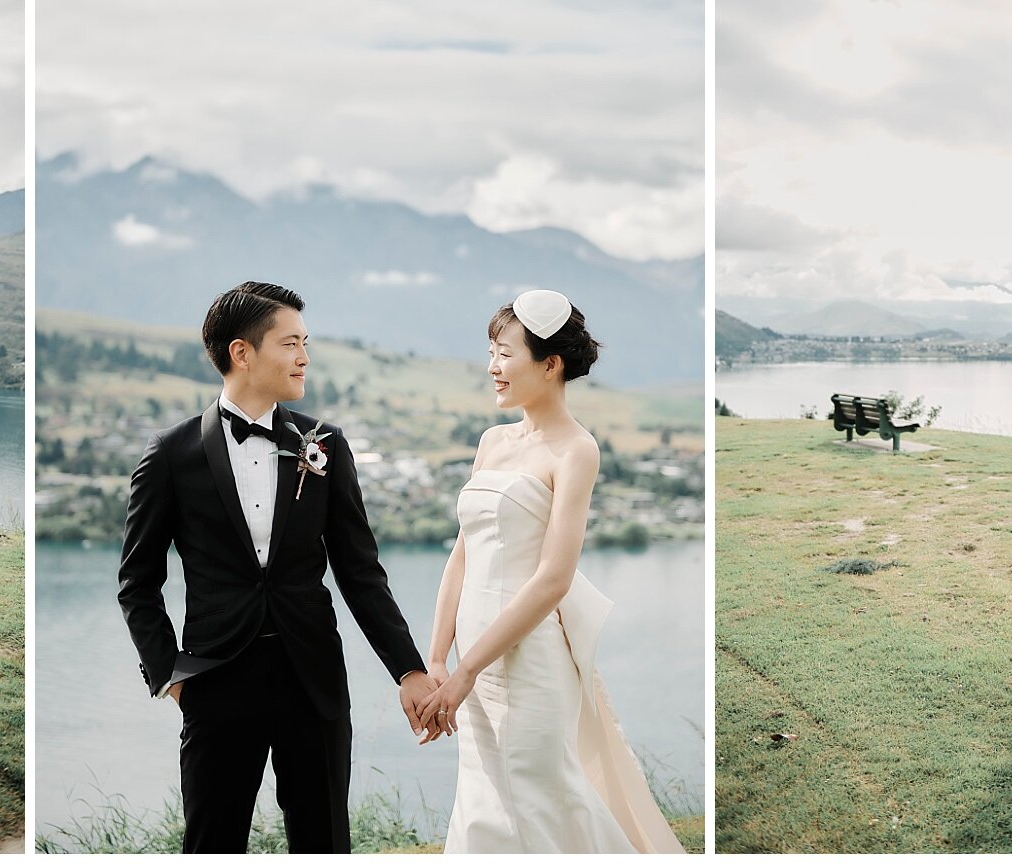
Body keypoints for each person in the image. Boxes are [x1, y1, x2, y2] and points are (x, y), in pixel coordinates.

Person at [117, 281, 438, 853]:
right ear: (242, 352)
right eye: (291, 343)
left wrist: (408, 669)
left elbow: (361, 572)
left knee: (324, 842)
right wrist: (172, 676)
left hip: (313, 679)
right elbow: (137, 583)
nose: (304, 356)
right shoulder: (170, 454)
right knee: (212, 844)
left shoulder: (325, 444)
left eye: (305, 343)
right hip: (215, 681)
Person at [414, 290, 685, 853]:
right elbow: (461, 556)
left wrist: (466, 672)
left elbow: (554, 579)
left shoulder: (576, 450)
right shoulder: (492, 442)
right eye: (490, 352)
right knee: (484, 801)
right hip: (469, 658)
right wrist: (439, 660)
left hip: (529, 659)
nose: (493, 367)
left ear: (550, 364)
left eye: (505, 354)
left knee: (539, 802)